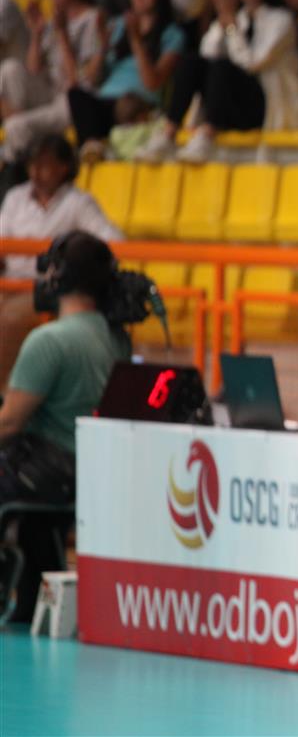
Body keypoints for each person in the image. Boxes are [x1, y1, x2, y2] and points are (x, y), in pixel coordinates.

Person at [0, 231, 133, 621]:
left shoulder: (49, 341)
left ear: (58, 277)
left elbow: (10, 421)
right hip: (89, 470)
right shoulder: (118, 339)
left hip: (48, 471)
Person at [135, 0, 298, 162]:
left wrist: (232, 28)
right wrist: (223, 23)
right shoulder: (236, 18)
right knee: (191, 61)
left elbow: (252, 63)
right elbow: (207, 54)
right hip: (229, 103)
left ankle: (207, 132)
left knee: (221, 68)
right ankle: (168, 132)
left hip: (265, 106)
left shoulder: (282, 20)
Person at [0, 135, 122, 389]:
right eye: (32, 165)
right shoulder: (15, 197)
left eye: (44, 165)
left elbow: (113, 241)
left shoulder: (78, 203)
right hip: (7, 283)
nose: (35, 172)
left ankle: (8, 396)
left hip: (45, 288)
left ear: (63, 167)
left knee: (8, 320)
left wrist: (74, 259)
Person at [66, 0, 184, 162]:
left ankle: (105, 146)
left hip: (138, 102)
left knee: (127, 105)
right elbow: (92, 78)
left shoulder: (173, 34)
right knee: (76, 94)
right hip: (106, 100)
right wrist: (102, 47)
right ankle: (93, 145)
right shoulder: (118, 25)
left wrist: (136, 41)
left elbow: (153, 83)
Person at [1, 0, 102, 165]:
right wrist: (37, 34)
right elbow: (33, 69)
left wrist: (63, 34)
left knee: (16, 126)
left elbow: (79, 81)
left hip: (73, 100)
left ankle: (16, 148)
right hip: (48, 92)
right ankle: (19, 130)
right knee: (10, 68)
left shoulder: (93, 18)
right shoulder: (50, 22)